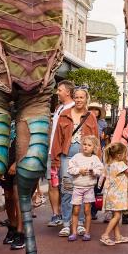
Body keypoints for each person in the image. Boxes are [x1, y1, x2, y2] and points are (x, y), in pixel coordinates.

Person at [51, 87, 100, 237]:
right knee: (67, 190)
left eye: (82, 97)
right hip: (67, 157)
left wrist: (97, 162)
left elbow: (96, 140)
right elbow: (57, 139)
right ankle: (66, 223)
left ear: (86, 99)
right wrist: (55, 160)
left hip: (85, 158)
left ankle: (79, 223)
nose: (79, 100)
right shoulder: (64, 115)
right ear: (73, 98)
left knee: (83, 190)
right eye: (76, 97)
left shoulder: (90, 117)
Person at [44, 79, 75, 226]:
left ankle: (68, 216)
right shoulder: (57, 108)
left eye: (60, 90)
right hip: (51, 152)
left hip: (65, 153)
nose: (57, 92)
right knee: (52, 183)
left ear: (68, 92)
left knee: (67, 184)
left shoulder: (74, 108)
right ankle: (56, 214)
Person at [66, 135, 103, 242]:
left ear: (94, 147)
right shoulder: (76, 157)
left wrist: (94, 172)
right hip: (77, 188)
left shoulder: (95, 159)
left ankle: (87, 233)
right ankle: (74, 232)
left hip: (89, 188)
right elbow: (70, 169)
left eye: (89, 145)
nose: (86, 147)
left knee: (87, 210)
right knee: (76, 210)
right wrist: (79, 170)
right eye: (84, 144)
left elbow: (100, 170)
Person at [101, 141, 128, 245]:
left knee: (116, 216)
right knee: (117, 216)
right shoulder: (120, 164)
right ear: (119, 155)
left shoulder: (109, 164)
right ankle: (105, 235)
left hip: (111, 194)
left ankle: (117, 237)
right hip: (117, 195)